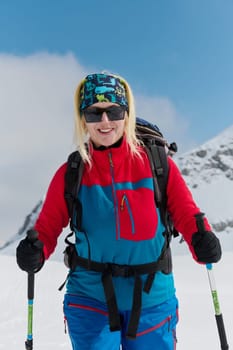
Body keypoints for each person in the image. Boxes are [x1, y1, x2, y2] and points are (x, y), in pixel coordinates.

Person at [16, 72, 222, 350]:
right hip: (90, 299)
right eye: (94, 113)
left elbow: (187, 213)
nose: (104, 122)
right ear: (82, 118)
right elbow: (47, 226)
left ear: (126, 113)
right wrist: (35, 250)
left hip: (152, 301)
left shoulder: (158, 165)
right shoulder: (72, 173)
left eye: (113, 111)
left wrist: (202, 239)